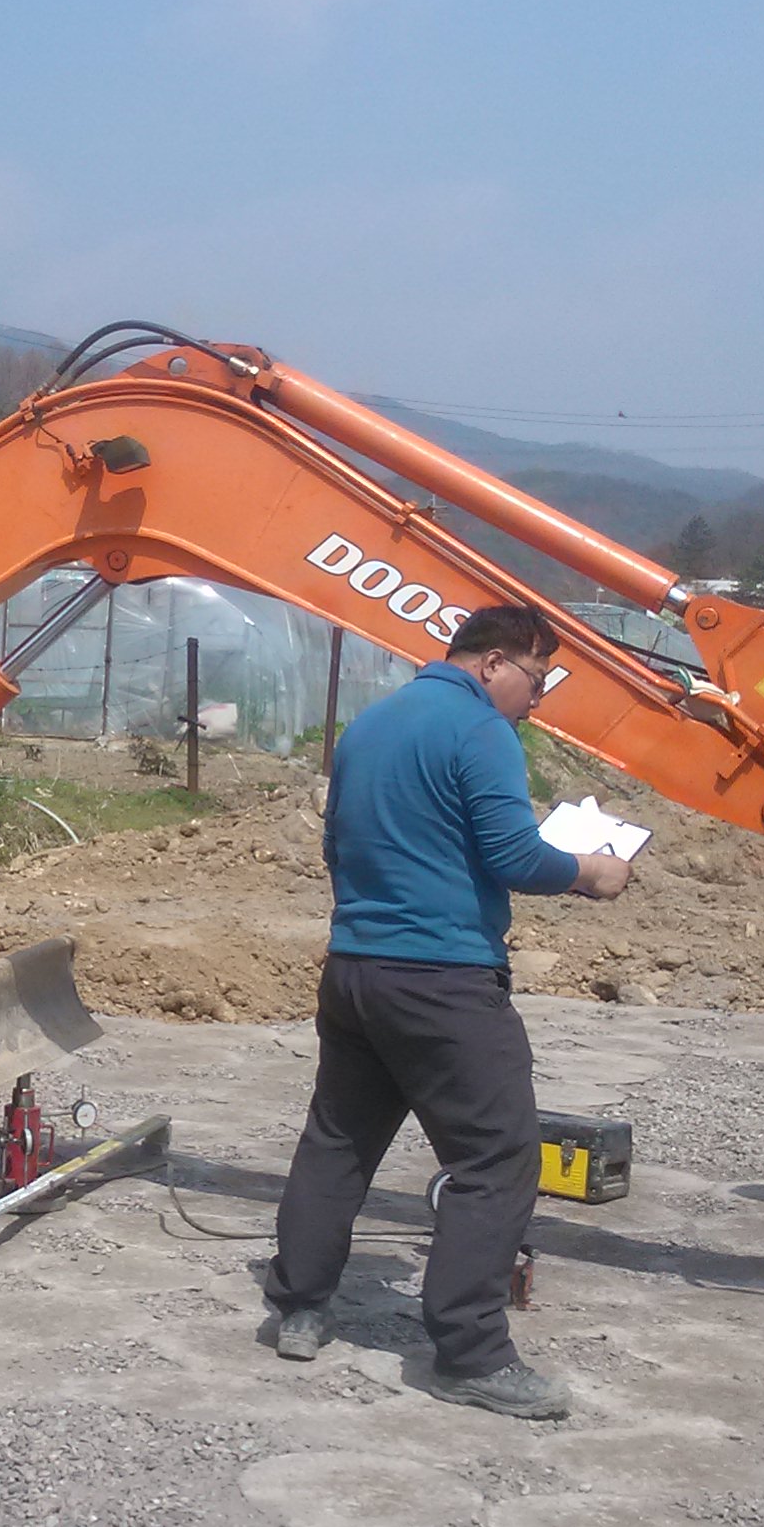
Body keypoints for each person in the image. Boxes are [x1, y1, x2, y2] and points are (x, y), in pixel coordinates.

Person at [266, 605, 633, 1418]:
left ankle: (300, 1308)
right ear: (494, 662)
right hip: (444, 979)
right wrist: (591, 871)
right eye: (538, 679)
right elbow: (514, 855)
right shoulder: (480, 730)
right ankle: (471, 1354)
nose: (537, 699)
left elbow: (337, 845)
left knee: (339, 1140)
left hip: (355, 969)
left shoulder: (370, 726)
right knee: (498, 1158)